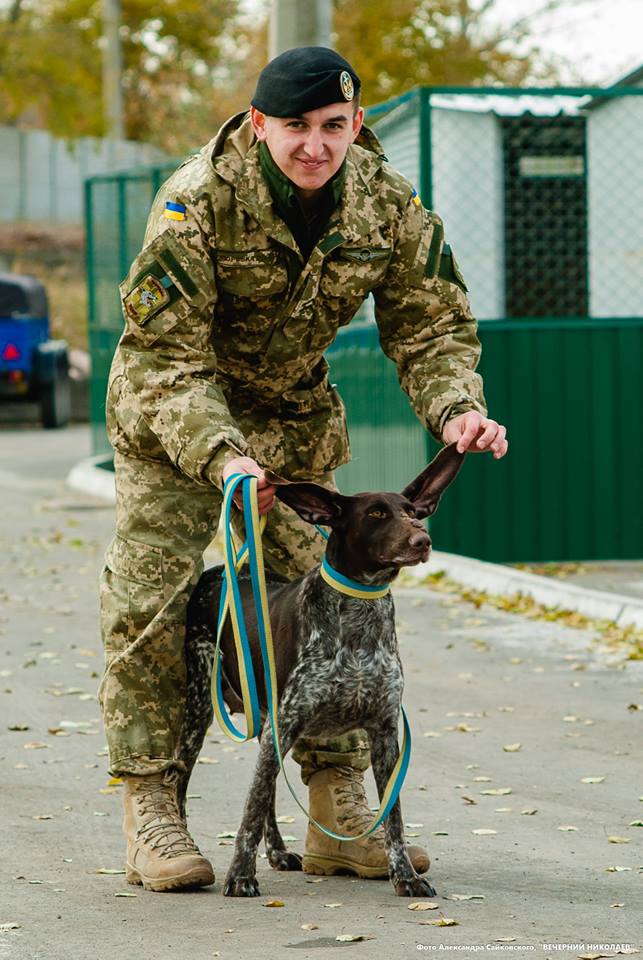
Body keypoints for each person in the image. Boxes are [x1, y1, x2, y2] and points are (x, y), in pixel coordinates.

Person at [99, 45, 508, 893]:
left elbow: (429, 325)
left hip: (291, 416)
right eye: (295, 128)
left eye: (332, 126)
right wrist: (222, 454)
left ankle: (336, 812)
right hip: (176, 415)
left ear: (355, 124)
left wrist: (455, 408)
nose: (314, 145)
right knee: (155, 601)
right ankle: (152, 807)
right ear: (260, 126)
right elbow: (167, 356)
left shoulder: (385, 201)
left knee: (322, 606)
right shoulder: (195, 201)